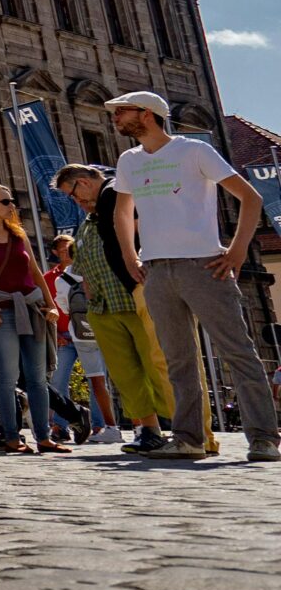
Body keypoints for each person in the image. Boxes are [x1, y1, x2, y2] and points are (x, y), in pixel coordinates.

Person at [105, 90, 281, 462]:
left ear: (148, 115)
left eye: (121, 112)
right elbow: (122, 212)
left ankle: (264, 438)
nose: (115, 118)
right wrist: (128, 255)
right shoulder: (128, 160)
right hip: (156, 268)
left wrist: (235, 251)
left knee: (238, 352)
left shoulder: (193, 151)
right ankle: (188, 438)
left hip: (203, 263)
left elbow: (250, 198)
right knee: (177, 359)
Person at [51, 163, 174, 456]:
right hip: (103, 310)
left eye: (75, 194)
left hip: (133, 300)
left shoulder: (124, 206)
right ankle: (149, 429)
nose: (77, 202)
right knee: (126, 375)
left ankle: (185, 427)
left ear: (84, 181)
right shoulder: (86, 226)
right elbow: (82, 269)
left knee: (157, 366)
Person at [0, 181, 59, 454]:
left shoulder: (18, 233)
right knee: (7, 376)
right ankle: (12, 436)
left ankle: (44, 436)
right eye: (4, 201)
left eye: (11, 200)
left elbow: (36, 272)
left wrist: (51, 305)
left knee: (38, 377)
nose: (11, 205)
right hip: (1, 309)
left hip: (31, 307)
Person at [44, 232, 111, 445]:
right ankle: (61, 425)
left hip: (90, 335)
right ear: (55, 252)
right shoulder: (49, 278)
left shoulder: (88, 274)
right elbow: (47, 307)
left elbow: (62, 306)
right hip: (64, 337)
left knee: (97, 381)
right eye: (61, 250)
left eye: (68, 249)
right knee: (58, 381)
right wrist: (54, 334)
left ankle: (99, 425)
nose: (66, 253)